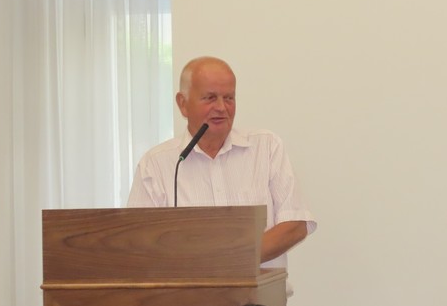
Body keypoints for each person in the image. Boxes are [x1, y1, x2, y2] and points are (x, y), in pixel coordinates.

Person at [127, 56, 316, 276]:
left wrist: (228, 260)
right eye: (210, 98)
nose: (221, 107)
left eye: (229, 98)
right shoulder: (156, 164)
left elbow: (295, 224)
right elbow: (138, 243)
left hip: (260, 292)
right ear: (182, 104)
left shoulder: (266, 147)